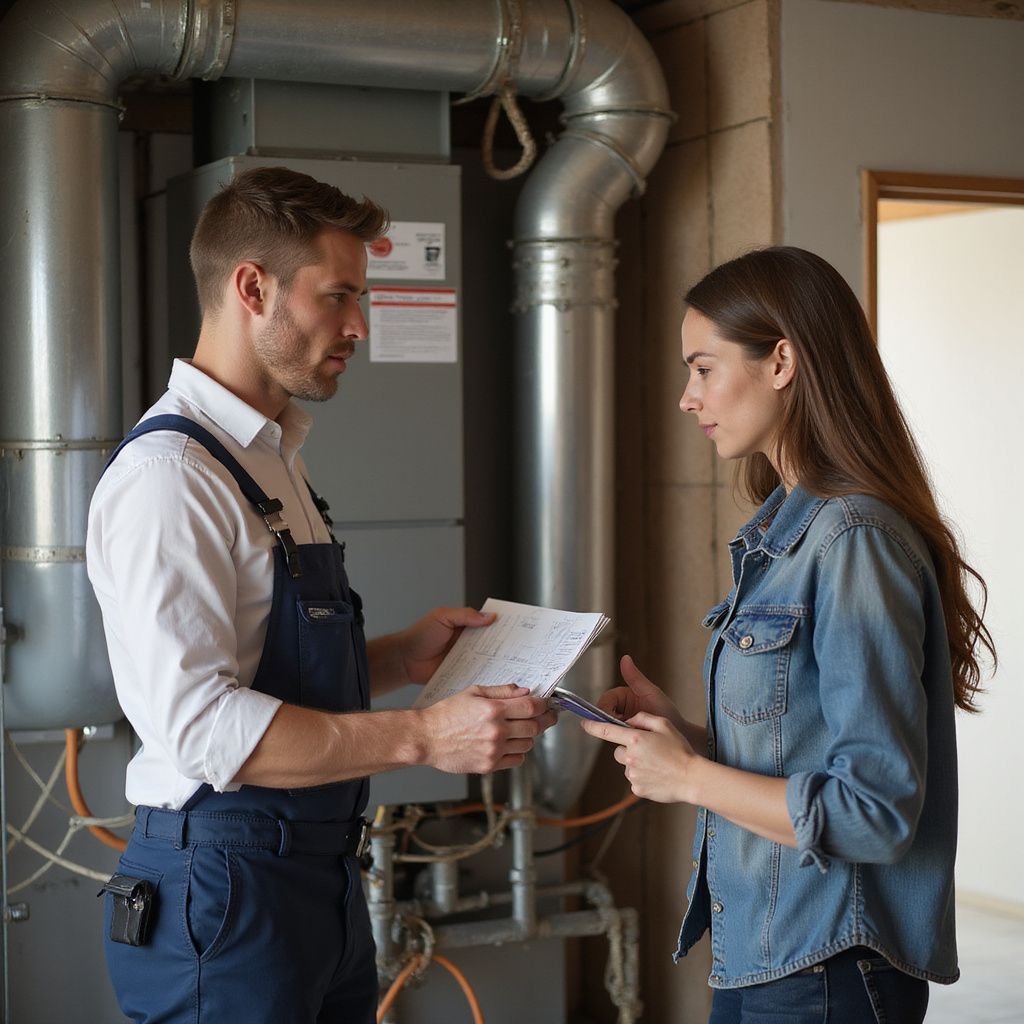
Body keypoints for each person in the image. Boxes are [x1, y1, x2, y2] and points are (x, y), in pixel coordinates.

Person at [86, 165, 557, 1024]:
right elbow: (200, 726)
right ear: (253, 287)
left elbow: (267, 673)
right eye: (338, 297)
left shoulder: (269, 458)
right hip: (224, 892)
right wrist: (424, 736)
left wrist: (403, 659)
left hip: (316, 882)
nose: (359, 327)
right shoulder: (169, 478)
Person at [581, 246, 995, 1023]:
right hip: (765, 954)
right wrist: (690, 743)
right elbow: (801, 752)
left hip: (831, 964)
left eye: (704, 368)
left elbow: (873, 807)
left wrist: (691, 781)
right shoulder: (786, 532)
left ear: (781, 361)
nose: (686, 397)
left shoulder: (852, 541)